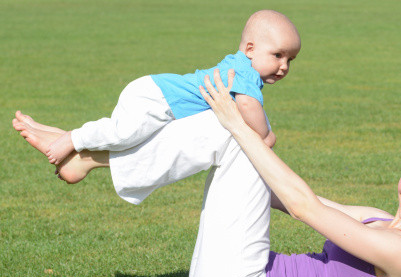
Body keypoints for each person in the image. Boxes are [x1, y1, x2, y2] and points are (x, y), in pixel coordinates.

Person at [11, 70, 401, 277]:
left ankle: (90, 155)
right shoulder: (382, 221)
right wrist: (245, 140)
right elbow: (292, 196)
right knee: (235, 138)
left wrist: (241, 128)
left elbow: (305, 209)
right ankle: (89, 156)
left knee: (235, 133)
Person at [41, 9, 301, 185]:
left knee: (140, 142)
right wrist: (266, 136)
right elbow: (248, 105)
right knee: (123, 134)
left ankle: (80, 158)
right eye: (277, 55)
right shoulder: (245, 73)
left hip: (160, 97)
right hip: (156, 98)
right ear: (250, 49)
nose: (284, 66)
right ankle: (72, 139)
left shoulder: (241, 66)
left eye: (290, 59)